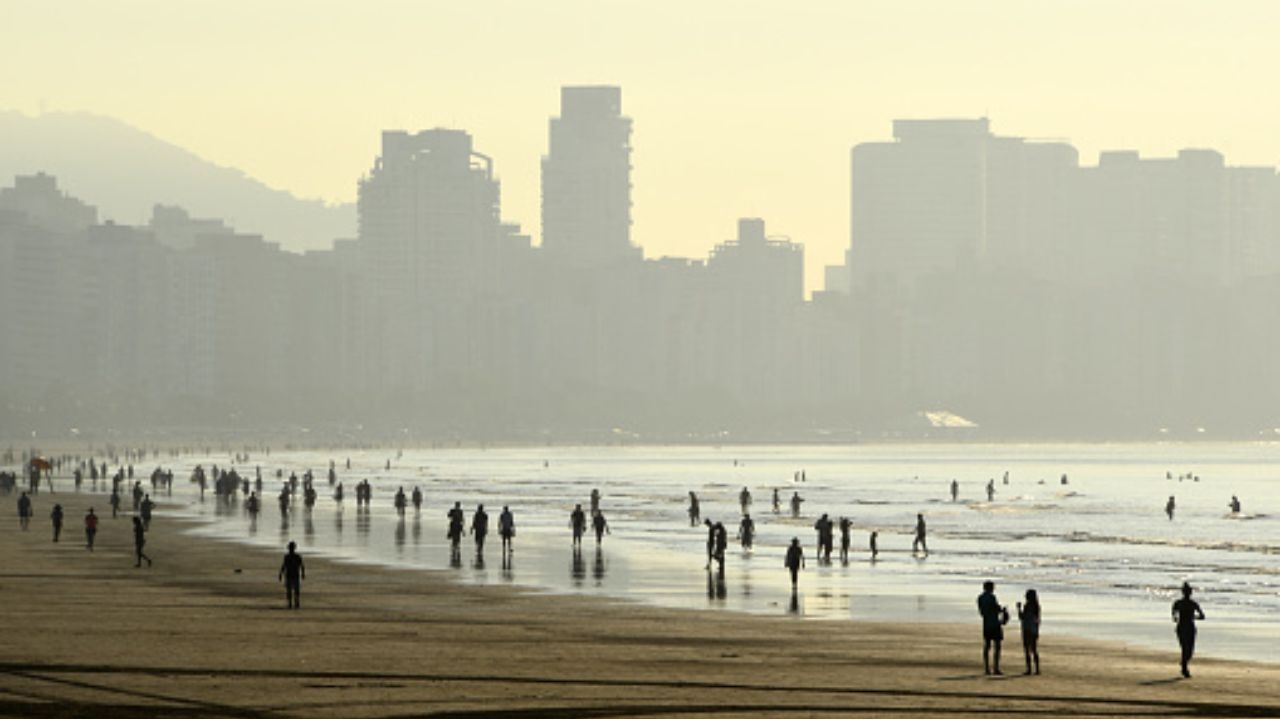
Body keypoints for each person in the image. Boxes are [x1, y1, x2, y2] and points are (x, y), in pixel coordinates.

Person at [1172, 582, 1205, 678]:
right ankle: (1184, 668)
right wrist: (1194, 617)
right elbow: (1202, 616)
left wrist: (1177, 617)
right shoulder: (1191, 604)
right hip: (1187, 627)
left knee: (1186, 649)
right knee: (1187, 649)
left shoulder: (1180, 603)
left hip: (1184, 627)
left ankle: (1183, 664)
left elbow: (1174, 616)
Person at [977, 580, 1008, 675]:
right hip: (994, 623)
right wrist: (1002, 610)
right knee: (997, 646)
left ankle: (986, 668)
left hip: (986, 623)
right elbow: (996, 608)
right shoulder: (991, 597)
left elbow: (982, 612)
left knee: (987, 646)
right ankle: (996, 668)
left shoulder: (980, 598)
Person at [1017, 589, 1041, 675]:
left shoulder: (1027, 606)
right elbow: (1037, 620)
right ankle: (1037, 669)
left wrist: (1018, 608)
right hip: (1034, 629)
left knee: (1027, 649)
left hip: (1027, 629)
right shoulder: (1036, 606)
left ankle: (1029, 669)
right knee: (1034, 649)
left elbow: (1022, 617)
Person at [279, 541, 305, 609]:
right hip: (294, 575)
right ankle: (294, 602)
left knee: (290, 590)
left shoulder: (288, 556)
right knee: (294, 590)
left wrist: (281, 573)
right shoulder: (296, 556)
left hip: (290, 575)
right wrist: (302, 573)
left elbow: (284, 566)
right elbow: (301, 566)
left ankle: (292, 603)